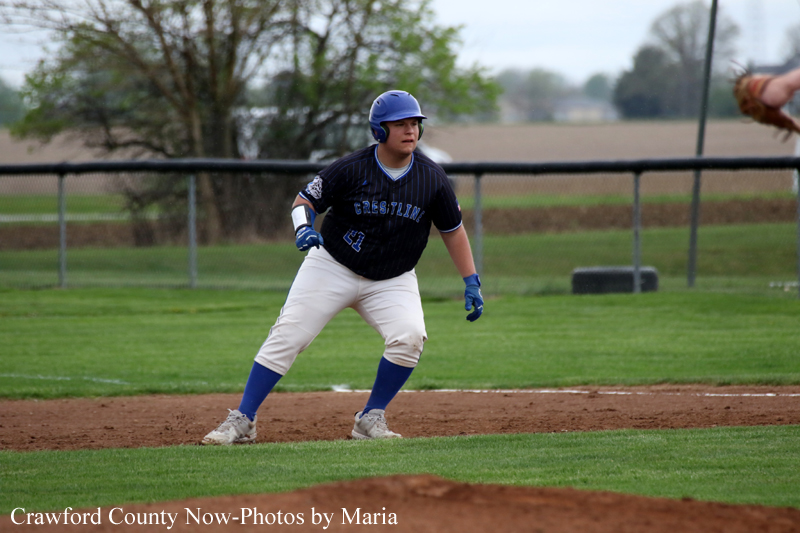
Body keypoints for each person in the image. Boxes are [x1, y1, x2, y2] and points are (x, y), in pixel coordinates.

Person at [202, 90, 483, 444]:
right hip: (332, 265)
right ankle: (243, 419)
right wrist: (303, 227)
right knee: (288, 335)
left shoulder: (432, 178)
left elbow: (452, 231)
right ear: (379, 131)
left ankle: (370, 418)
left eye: (415, 123)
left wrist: (471, 280)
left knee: (409, 337)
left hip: (392, 278)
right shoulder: (351, 168)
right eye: (400, 124)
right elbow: (304, 200)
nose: (410, 130)